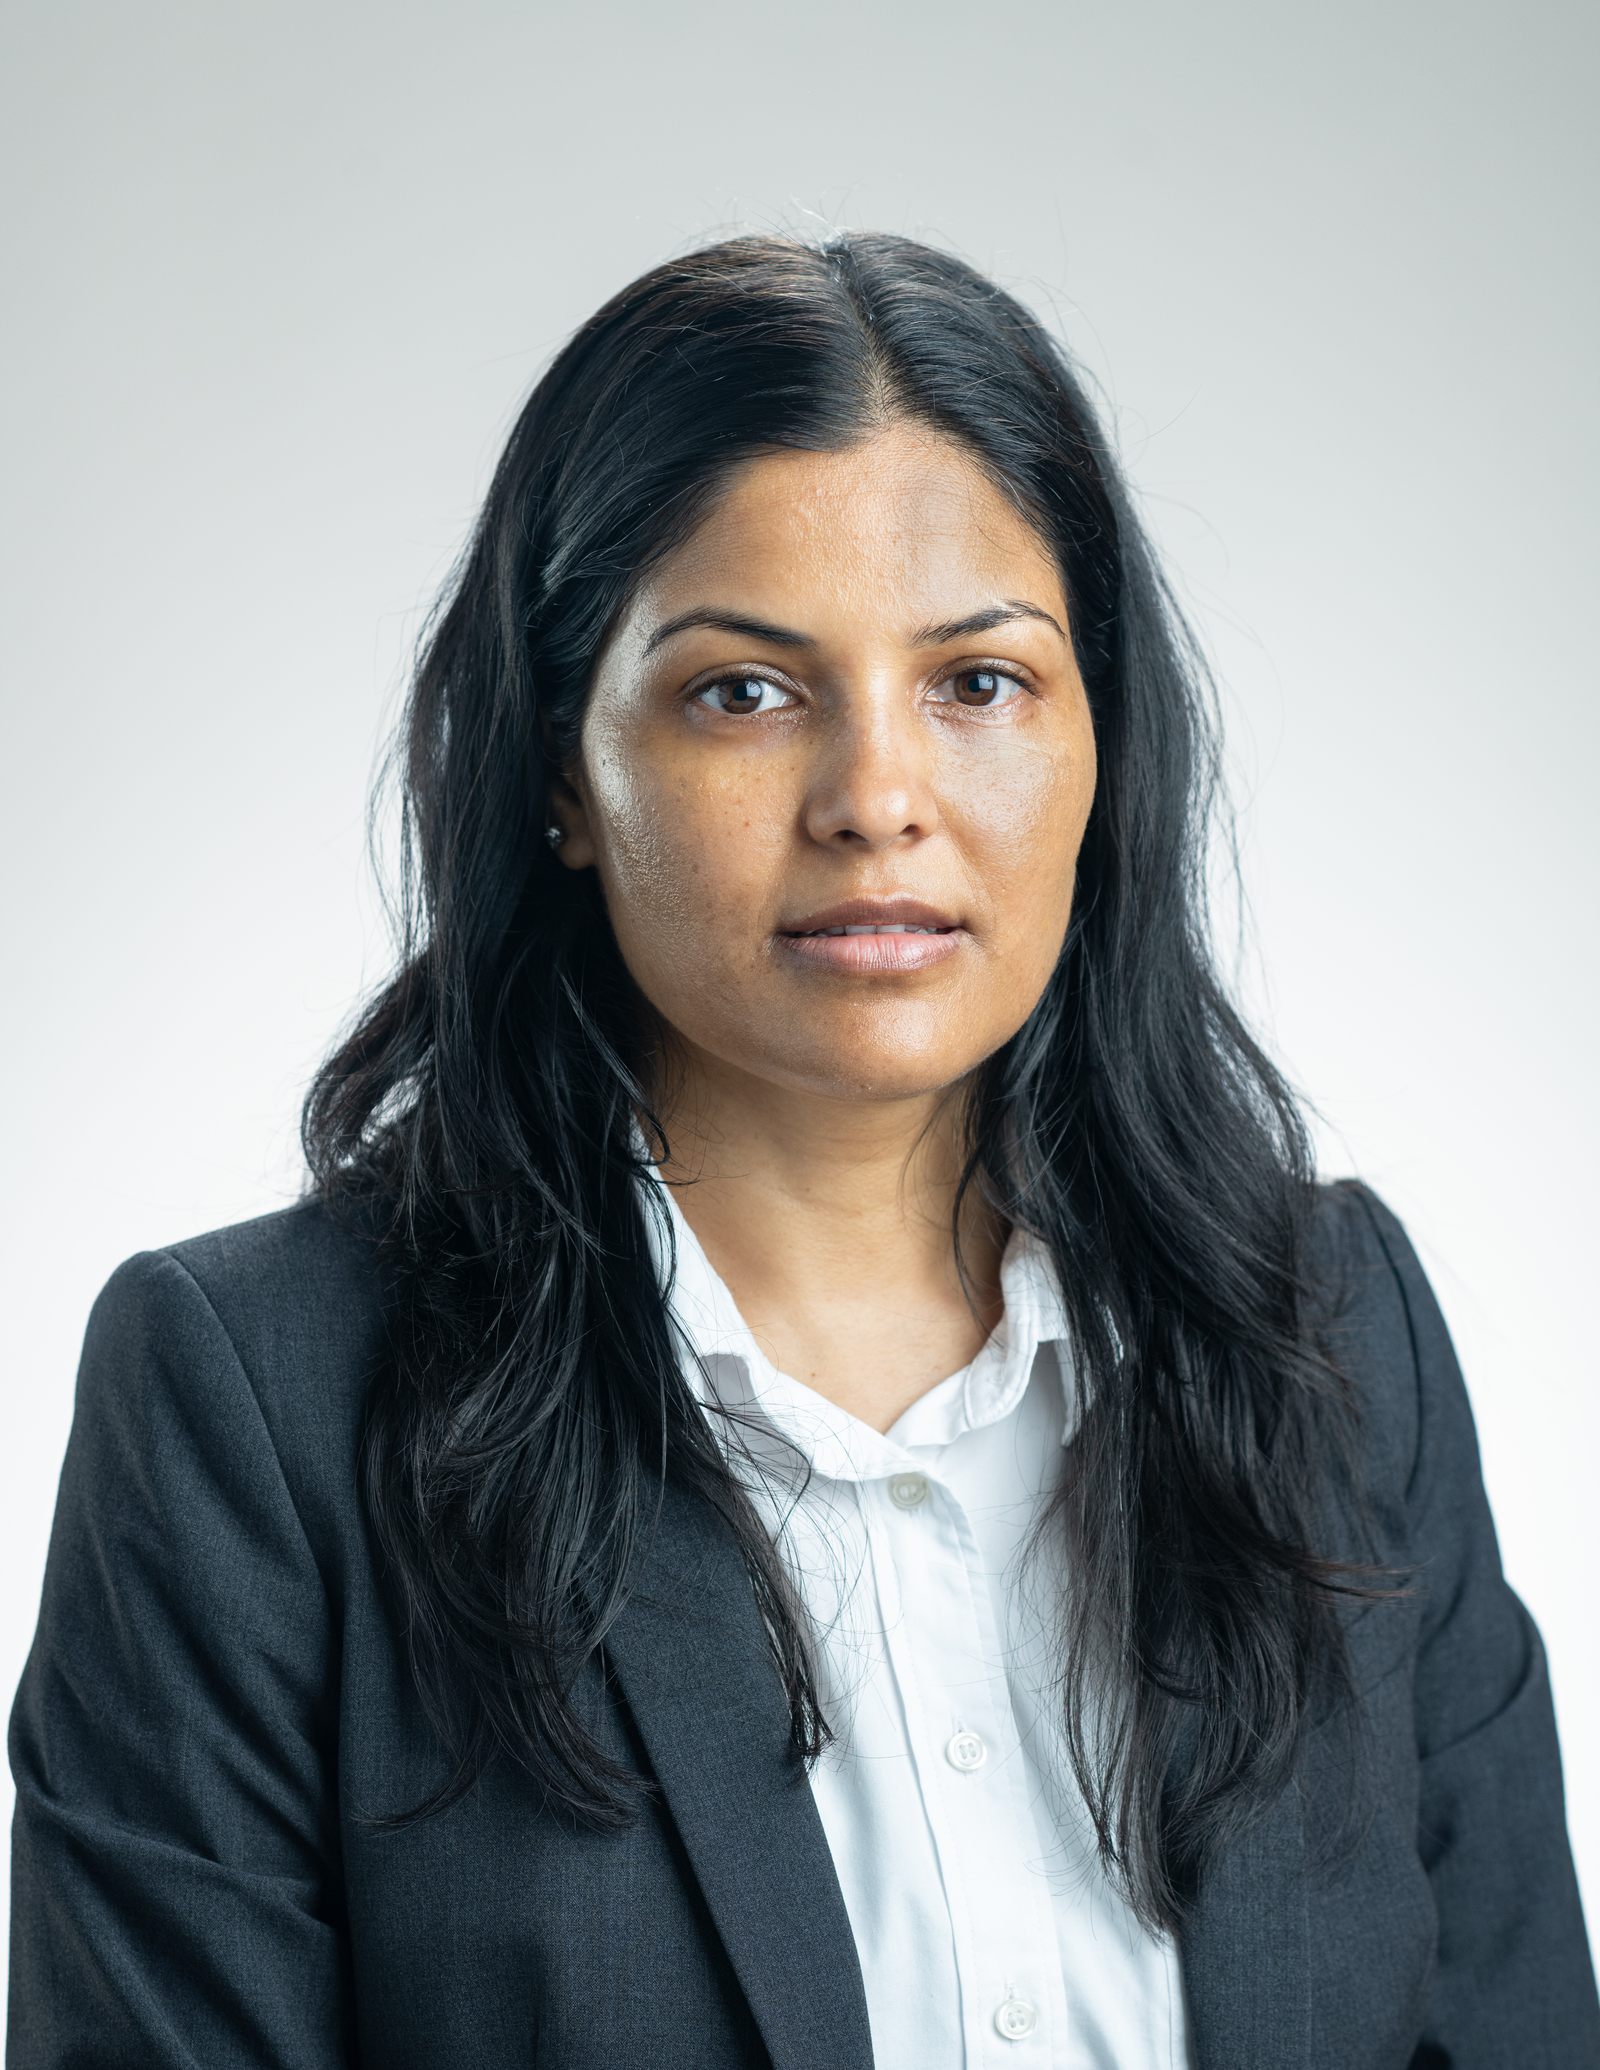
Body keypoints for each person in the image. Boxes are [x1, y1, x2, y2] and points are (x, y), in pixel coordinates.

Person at [7, 234, 1595, 2070]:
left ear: (1103, 736)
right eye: (744, 691)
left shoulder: (1334, 1333)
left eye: (979, 683)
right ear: (556, 770)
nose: (877, 797)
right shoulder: (254, 1407)